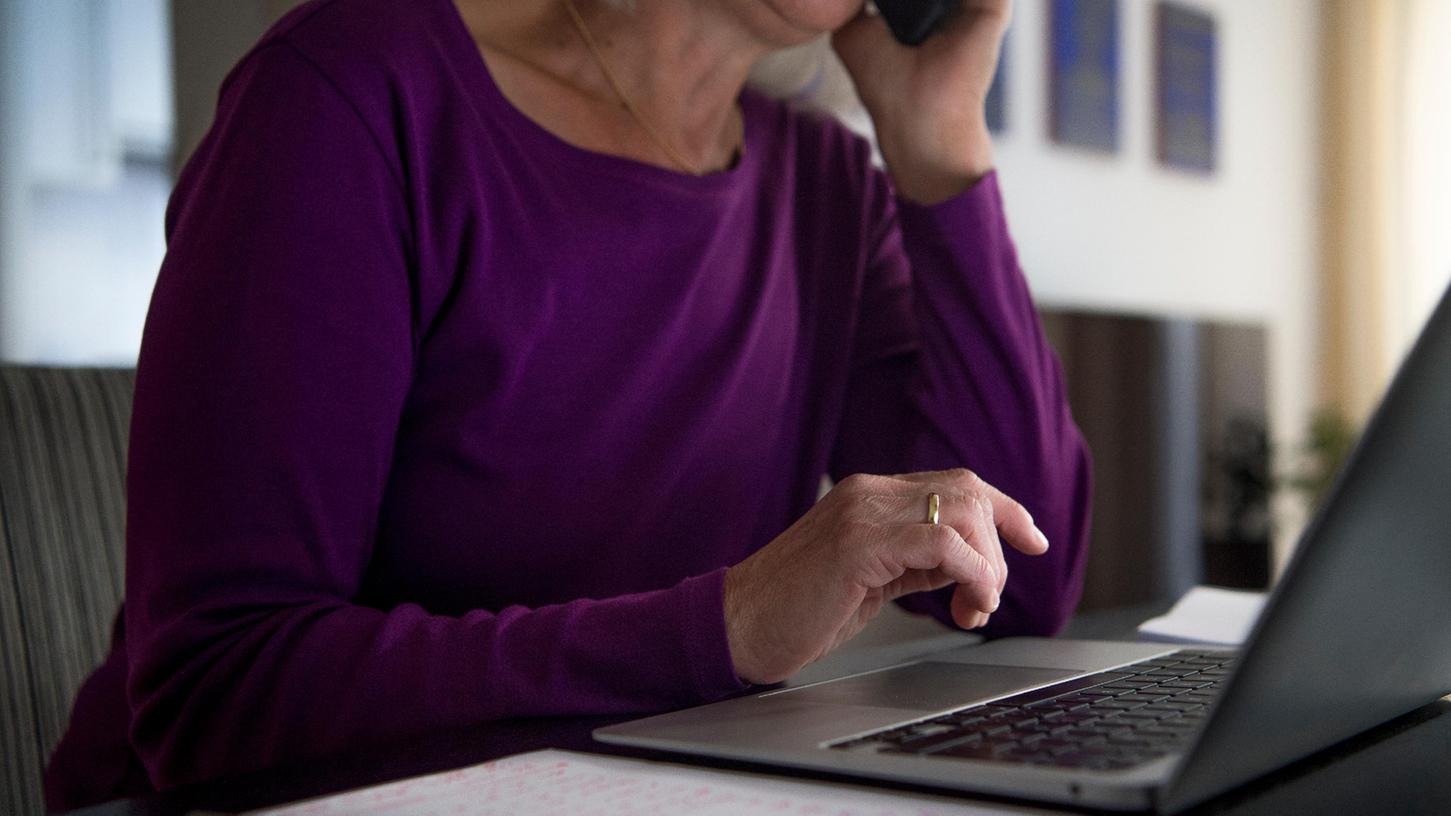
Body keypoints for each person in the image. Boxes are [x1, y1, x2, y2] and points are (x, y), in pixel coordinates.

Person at [44, 0, 1093, 808]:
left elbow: (1022, 589)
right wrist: (721, 626)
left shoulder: (825, 186)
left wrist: (938, 136)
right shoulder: (350, 98)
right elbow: (214, 694)